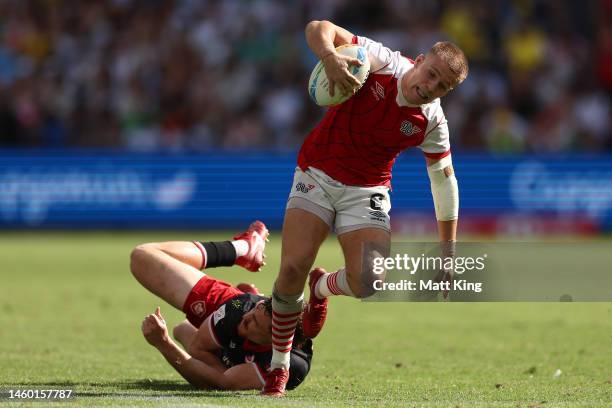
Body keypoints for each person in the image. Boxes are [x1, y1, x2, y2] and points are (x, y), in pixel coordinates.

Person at [262, 20, 469, 396]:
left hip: (367, 188)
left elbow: (444, 182)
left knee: (370, 282)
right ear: (419, 61)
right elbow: (316, 26)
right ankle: (278, 364)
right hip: (319, 172)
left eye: (443, 87)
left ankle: (322, 289)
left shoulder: (432, 121)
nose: (431, 87)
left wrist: (448, 251)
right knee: (291, 267)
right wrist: (328, 58)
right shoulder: (382, 61)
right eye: (431, 74)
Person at [130, 221, 316, 391]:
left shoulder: (292, 364)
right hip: (229, 302)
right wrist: (215, 374)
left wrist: (164, 343)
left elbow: (222, 382)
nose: (246, 319)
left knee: (182, 330)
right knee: (142, 257)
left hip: (250, 358)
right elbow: (199, 351)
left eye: (254, 324)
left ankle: (227, 344)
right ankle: (242, 249)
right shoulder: (238, 310)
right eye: (254, 313)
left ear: (276, 341)